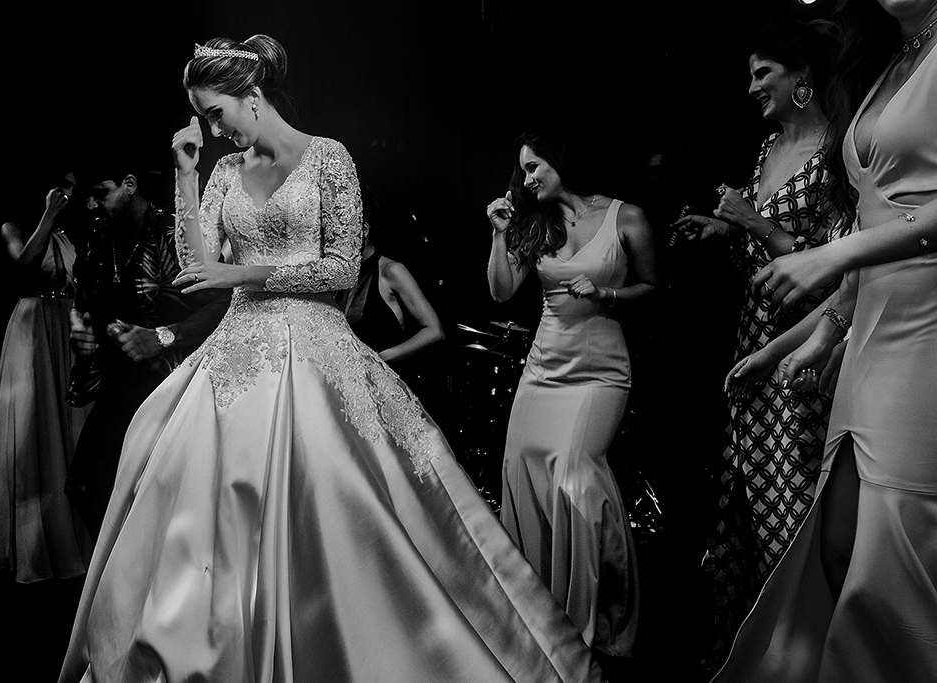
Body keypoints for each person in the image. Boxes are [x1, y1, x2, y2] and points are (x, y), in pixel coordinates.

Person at [59, 35, 603, 683]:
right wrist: (184, 172)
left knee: (335, 498)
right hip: (236, 354)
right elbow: (190, 266)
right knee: (201, 481)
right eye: (202, 117)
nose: (210, 127)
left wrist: (242, 276)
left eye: (213, 112)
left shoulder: (328, 159)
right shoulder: (223, 173)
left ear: (250, 97)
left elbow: (342, 270)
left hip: (316, 351)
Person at [713, 0, 936, 681]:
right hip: (872, 328)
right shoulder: (890, 62)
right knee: (838, 540)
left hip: (926, 330)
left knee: (892, 548)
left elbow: (880, 232)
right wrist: (815, 335)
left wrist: (831, 257)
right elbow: (879, 212)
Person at [671, 19, 850, 665]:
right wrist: (724, 232)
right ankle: (759, 656)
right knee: (746, 509)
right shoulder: (768, 150)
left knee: (796, 510)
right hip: (751, 338)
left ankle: (816, 658)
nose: (750, 88)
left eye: (762, 73)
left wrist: (752, 220)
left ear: (803, 77)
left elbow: (837, 274)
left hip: (809, 350)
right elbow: (766, 247)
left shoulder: (839, 152)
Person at [486, 127, 658, 661]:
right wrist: (498, 234)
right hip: (544, 368)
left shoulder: (624, 216)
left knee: (578, 478)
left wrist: (607, 292)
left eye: (535, 166)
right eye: (524, 170)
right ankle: (540, 615)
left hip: (600, 370)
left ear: (562, 160)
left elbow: (654, 289)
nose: (527, 177)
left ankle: (604, 619)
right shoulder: (531, 222)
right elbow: (500, 291)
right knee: (522, 472)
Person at [64, 164, 230, 542]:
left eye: (100, 193)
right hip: (118, 382)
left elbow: (224, 304)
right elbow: (83, 302)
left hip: (172, 385)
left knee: (160, 498)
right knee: (86, 487)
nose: (91, 204)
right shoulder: (98, 237)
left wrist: (165, 336)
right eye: (86, 196)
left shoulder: (175, 235)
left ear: (130, 185)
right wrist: (80, 328)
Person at [0, 169, 94, 583]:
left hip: (65, 329)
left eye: (72, 185)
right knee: (34, 422)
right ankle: (35, 545)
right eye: (62, 185)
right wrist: (48, 216)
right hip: (33, 329)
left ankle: (75, 536)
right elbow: (25, 269)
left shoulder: (69, 235)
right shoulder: (14, 228)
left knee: (68, 424)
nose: (69, 193)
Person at [340, 185, 446, 390]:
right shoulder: (341, 276)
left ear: (364, 230)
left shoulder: (391, 271)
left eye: (343, 229)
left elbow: (434, 330)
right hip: (349, 387)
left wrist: (382, 357)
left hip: (385, 386)